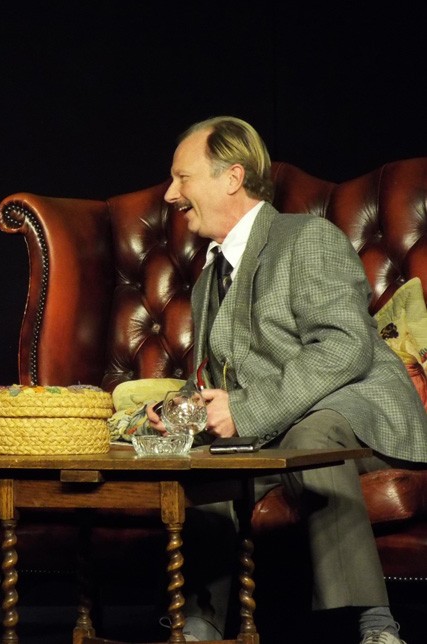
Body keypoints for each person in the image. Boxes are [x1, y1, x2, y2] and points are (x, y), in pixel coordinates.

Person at [146, 116, 427, 644]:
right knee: (206, 462)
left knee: (311, 437)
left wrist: (244, 411)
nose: (170, 194)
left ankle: (373, 623)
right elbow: (216, 378)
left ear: (232, 177)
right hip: (280, 424)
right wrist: (179, 413)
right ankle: (201, 625)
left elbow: (344, 347)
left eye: (182, 178)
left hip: (361, 418)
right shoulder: (209, 280)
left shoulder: (306, 239)